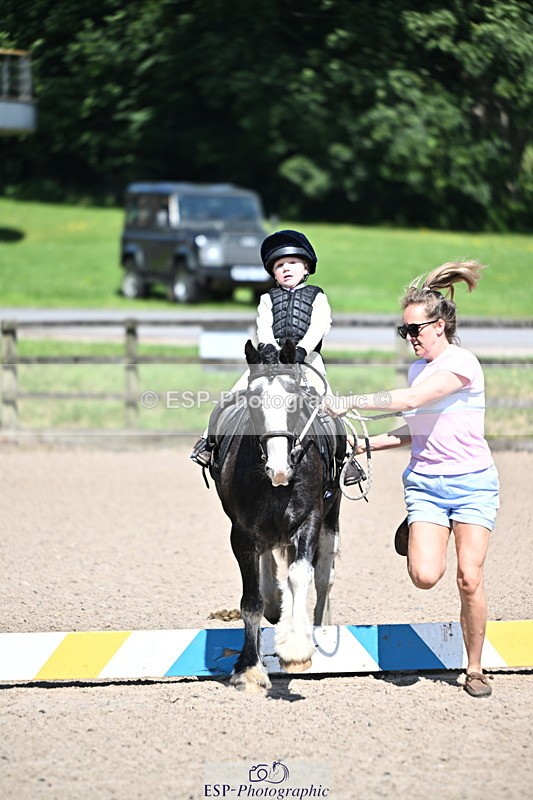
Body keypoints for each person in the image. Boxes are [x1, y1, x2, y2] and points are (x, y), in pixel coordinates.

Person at [323, 260, 499, 698]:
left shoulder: (462, 364)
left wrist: (353, 401)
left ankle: (474, 668)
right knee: (424, 576)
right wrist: (362, 445)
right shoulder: (417, 368)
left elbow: (413, 400)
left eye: (415, 330)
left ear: (439, 326)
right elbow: (414, 427)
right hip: (425, 483)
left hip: (473, 483)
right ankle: (420, 529)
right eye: (404, 331)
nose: (410, 338)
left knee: (469, 578)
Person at [190, 229, 363, 486]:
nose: (286, 268)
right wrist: (270, 350)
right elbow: (263, 327)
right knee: (231, 397)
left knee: (329, 407)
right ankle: (208, 442)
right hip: (271, 364)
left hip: (308, 362)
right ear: (273, 273)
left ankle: (346, 459)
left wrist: (302, 350)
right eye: (280, 265)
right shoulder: (267, 299)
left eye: (292, 262)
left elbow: (320, 326)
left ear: (306, 268)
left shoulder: (317, 296)